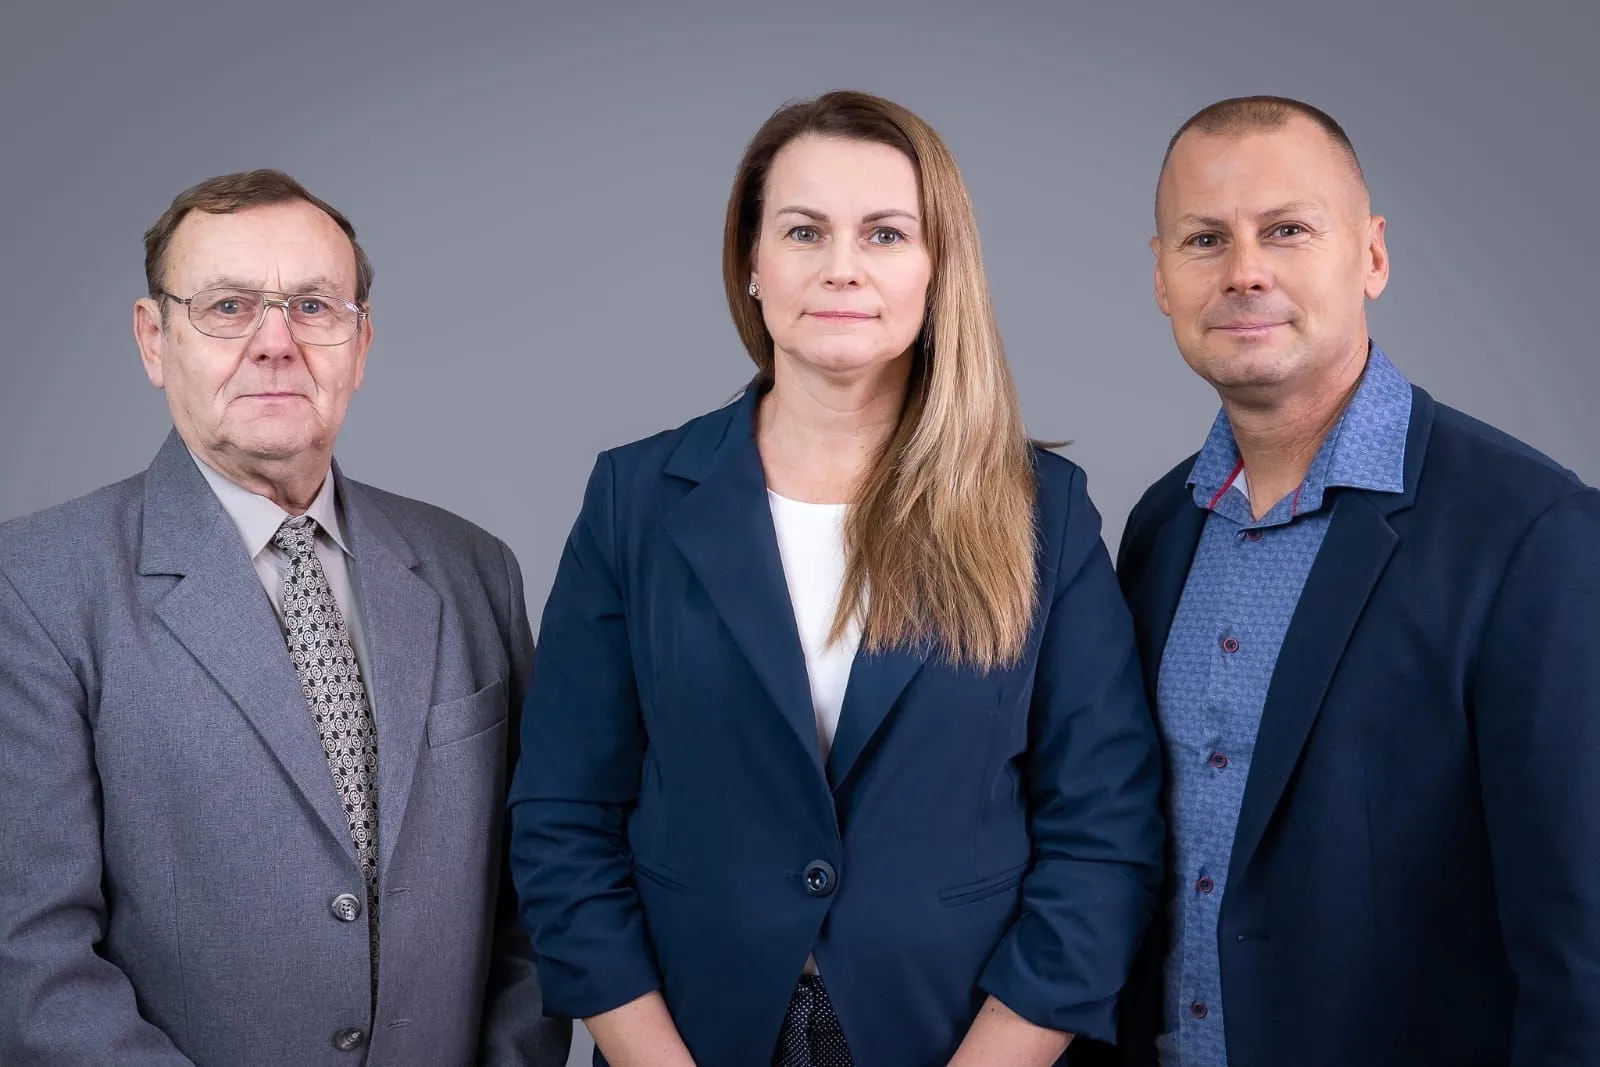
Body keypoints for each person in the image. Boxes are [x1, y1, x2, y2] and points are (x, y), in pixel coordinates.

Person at [507, 89, 1164, 1067]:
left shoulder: (1043, 510)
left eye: (885, 234)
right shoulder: (634, 499)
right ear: (751, 261)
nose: (841, 266)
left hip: (960, 1036)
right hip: (689, 1036)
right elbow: (562, 817)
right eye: (804, 230)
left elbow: (1104, 833)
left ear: (937, 267)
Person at [0, 169, 571, 1067]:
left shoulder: (473, 569)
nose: (277, 343)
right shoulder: (34, 585)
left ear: (361, 341)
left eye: (313, 305)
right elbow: (31, 964)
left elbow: (534, 901)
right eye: (228, 307)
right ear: (154, 339)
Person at [1096, 96, 1600, 1066]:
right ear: (1161, 276)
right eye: (1205, 239)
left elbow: (1582, 949)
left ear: (1370, 256)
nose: (1244, 270)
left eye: (1286, 229)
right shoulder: (1162, 525)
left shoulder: (1533, 534)